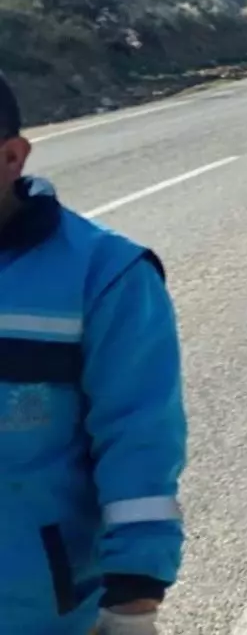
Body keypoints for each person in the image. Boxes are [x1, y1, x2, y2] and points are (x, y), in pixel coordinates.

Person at [0, 72, 188, 635]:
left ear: (11, 158)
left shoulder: (106, 276)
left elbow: (139, 440)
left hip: (35, 608)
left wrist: (133, 601)